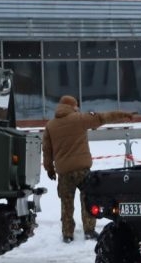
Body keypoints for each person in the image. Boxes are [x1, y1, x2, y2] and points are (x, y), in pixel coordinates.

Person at [43, 95, 135, 243]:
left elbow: (47, 151)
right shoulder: (79, 119)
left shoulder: (50, 125)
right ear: (73, 106)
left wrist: (49, 169)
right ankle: (89, 230)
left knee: (66, 203)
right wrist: (123, 114)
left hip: (64, 172)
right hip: (81, 169)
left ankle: (67, 234)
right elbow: (102, 117)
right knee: (87, 198)